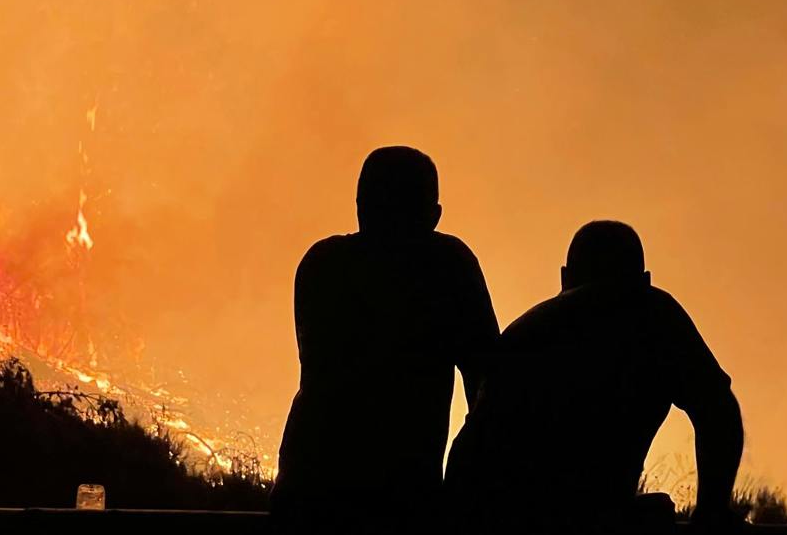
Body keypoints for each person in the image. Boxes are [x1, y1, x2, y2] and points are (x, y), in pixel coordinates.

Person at [446, 220, 743, 532]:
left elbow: (473, 452)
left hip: (481, 509)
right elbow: (718, 411)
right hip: (549, 513)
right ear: (645, 279)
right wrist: (712, 511)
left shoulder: (526, 330)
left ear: (564, 278)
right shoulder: (652, 313)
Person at [271, 146, 499, 531]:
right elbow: (488, 383)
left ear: (360, 205)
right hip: (402, 496)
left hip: (307, 488)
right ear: (434, 215)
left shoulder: (322, 264)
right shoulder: (446, 266)